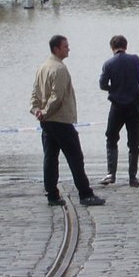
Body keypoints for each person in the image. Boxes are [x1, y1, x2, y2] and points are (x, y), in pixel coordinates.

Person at [30, 35, 105, 207]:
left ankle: (52, 195)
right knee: (75, 158)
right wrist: (45, 112)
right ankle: (85, 194)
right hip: (60, 120)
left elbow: (34, 94)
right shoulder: (59, 69)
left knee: (50, 158)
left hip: (47, 121)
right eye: (65, 46)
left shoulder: (42, 67)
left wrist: (37, 111)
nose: (68, 49)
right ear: (56, 49)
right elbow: (58, 96)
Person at [98, 34, 139, 188]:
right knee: (134, 141)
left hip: (117, 106)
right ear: (126, 46)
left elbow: (102, 85)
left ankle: (111, 174)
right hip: (134, 105)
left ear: (112, 47)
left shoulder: (108, 63)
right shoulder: (135, 59)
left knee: (111, 137)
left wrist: (115, 88)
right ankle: (132, 177)